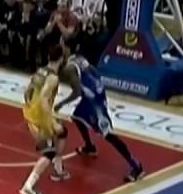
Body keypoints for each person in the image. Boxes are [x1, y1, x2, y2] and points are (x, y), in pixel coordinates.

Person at [56, 40, 144, 183]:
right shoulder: (79, 58)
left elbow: (77, 92)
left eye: (62, 45)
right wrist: (95, 87)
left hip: (93, 100)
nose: (60, 48)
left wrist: (61, 103)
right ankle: (89, 147)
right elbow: (95, 72)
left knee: (108, 135)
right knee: (77, 116)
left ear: (66, 48)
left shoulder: (69, 68)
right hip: (95, 92)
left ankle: (136, 166)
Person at [20, 50, 69, 194]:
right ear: (61, 59)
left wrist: (30, 107)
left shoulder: (40, 71)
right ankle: (28, 187)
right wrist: (51, 122)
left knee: (62, 132)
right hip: (38, 119)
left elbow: (27, 92)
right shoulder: (53, 78)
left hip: (32, 113)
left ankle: (58, 170)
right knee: (49, 152)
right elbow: (43, 99)